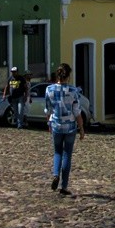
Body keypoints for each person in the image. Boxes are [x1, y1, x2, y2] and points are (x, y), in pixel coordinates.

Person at [44, 63, 85, 196]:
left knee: (57, 152)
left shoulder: (49, 90)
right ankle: (64, 186)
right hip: (70, 127)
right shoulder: (73, 91)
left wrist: (49, 124)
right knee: (67, 154)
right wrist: (82, 128)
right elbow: (77, 112)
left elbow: (48, 110)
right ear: (68, 75)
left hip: (56, 125)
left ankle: (56, 174)